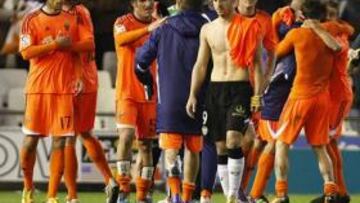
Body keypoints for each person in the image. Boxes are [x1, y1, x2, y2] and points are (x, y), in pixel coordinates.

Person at [186, 0, 264, 202]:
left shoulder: (249, 26)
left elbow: (256, 64)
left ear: (234, 2)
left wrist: (258, 94)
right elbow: (201, 65)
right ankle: (232, 195)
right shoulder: (207, 29)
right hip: (215, 89)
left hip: (240, 89)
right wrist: (193, 94)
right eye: (215, 1)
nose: (219, 4)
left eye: (223, 0)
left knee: (233, 140)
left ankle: (233, 194)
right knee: (220, 146)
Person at [136, 0, 207, 202]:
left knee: (170, 149)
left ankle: (174, 194)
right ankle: (187, 197)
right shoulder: (208, 28)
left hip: (169, 100)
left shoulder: (164, 28)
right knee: (194, 149)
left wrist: (147, 81)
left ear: (178, 4)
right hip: (197, 98)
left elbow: (141, 61)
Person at [271, 1, 343, 202]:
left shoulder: (296, 35)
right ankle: (330, 191)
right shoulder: (329, 35)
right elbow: (337, 47)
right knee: (320, 147)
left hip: (300, 97)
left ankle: (281, 193)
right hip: (322, 99)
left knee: (282, 144)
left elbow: (275, 52)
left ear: (302, 15)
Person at [19, 0, 83, 202]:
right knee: (30, 141)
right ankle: (28, 188)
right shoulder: (31, 19)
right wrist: (55, 45)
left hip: (63, 89)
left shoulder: (71, 18)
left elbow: (75, 53)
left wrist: (79, 76)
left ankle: (52, 195)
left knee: (60, 140)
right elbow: (25, 52)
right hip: (38, 88)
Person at [61, 1, 119, 203]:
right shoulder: (69, 11)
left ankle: (72, 196)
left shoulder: (79, 12)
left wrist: (64, 46)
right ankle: (110, 181)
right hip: (82, 78)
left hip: (78, 79)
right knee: (84, 133)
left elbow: (89, 43)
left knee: (68, 135)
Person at [113, 0, 165, 202]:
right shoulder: (122, 22)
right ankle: (123, 189)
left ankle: (143, 194)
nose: (148, 4)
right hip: (126, 92)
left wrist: (159, 26)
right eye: (143, 0)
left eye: (151, 0)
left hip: (149, 93)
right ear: (133, 3)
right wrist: (148, 29)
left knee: (146, 145)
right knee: (126, 136)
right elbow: (121, 40)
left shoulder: (159, 24)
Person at [310, 1, 354, 203]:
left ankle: (337, 193)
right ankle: (339, 192)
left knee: (326, 143)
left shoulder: (331, 32)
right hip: (336, 94)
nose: (331, 18)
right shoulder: (342, 33)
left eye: (333, 13)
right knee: (330, 143)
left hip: (337, 95)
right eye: (328, 14)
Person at [235, 0, 278, 196]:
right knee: (229, 142)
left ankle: (242, 191)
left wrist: (268, 77)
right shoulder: (228, 16)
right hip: (230, 87)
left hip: (256, 90)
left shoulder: (264, 19)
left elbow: (272, 50)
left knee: (254, 142)